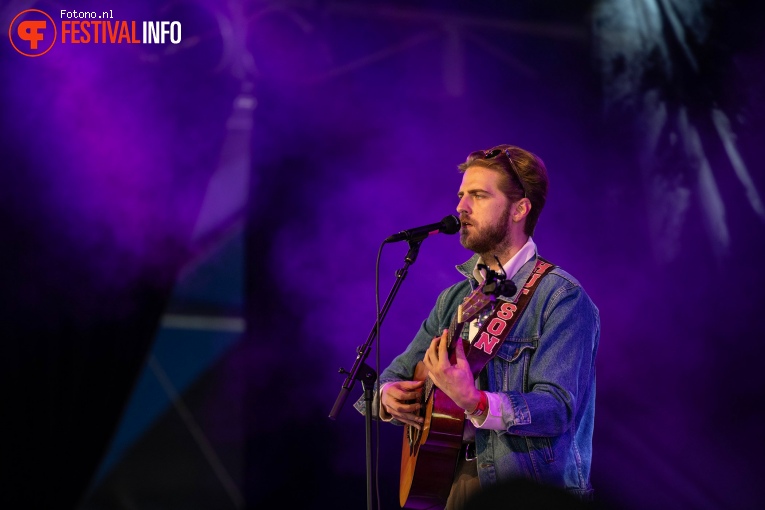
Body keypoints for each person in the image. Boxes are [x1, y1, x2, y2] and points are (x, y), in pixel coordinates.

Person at [359, 144, 599, 509]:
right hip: (454, 484)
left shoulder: (560, 297)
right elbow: (396, 373)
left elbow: (557, 408)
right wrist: (388, 396)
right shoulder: (454, 299)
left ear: (519, 209)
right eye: (461, 195)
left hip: (527, 492)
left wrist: (473, 400)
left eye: (479, 195)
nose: (461, 208)